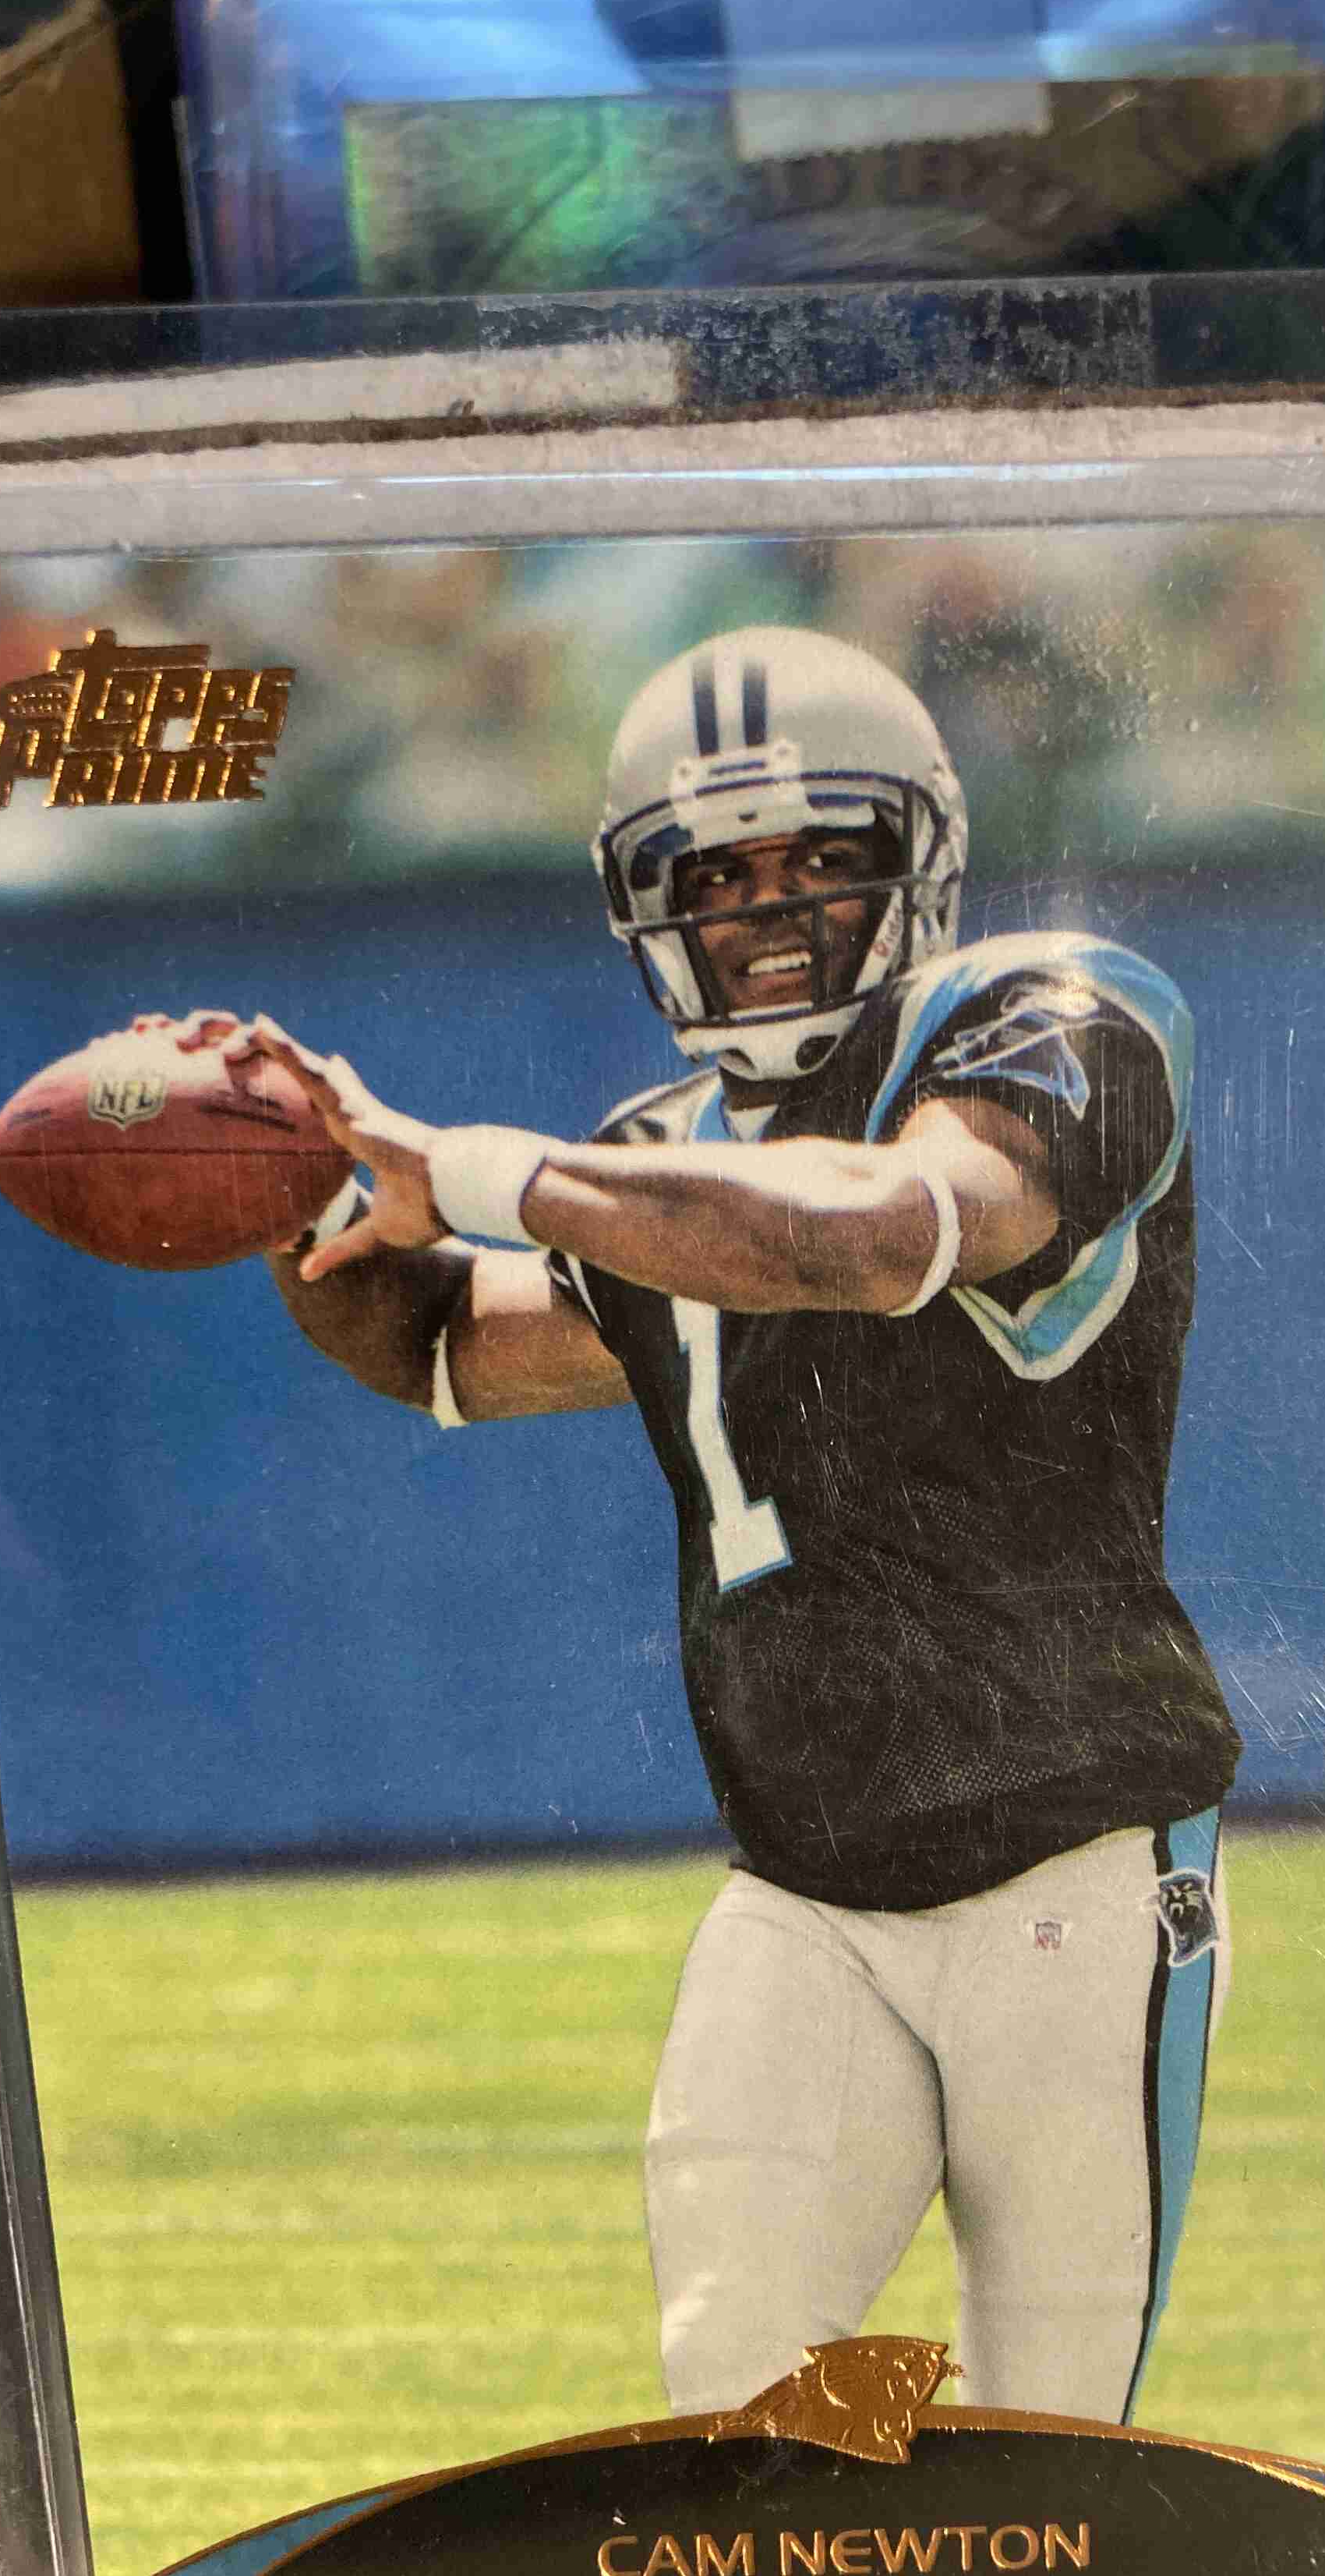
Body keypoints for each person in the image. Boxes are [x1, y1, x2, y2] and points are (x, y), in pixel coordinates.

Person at [234, 623, 1240, 2426]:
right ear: (648, 907)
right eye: (717, 874)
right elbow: (448, 1344)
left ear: (920, 857)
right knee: (742, 2420)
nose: (770, 908)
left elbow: (878, 1231)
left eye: (820, 857)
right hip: (803, 1892)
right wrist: (293, 1199)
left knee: (1059, 2443)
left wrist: (477, 1166)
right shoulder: (655, 1162)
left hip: (1073, 1869)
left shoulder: (1060, 1016)